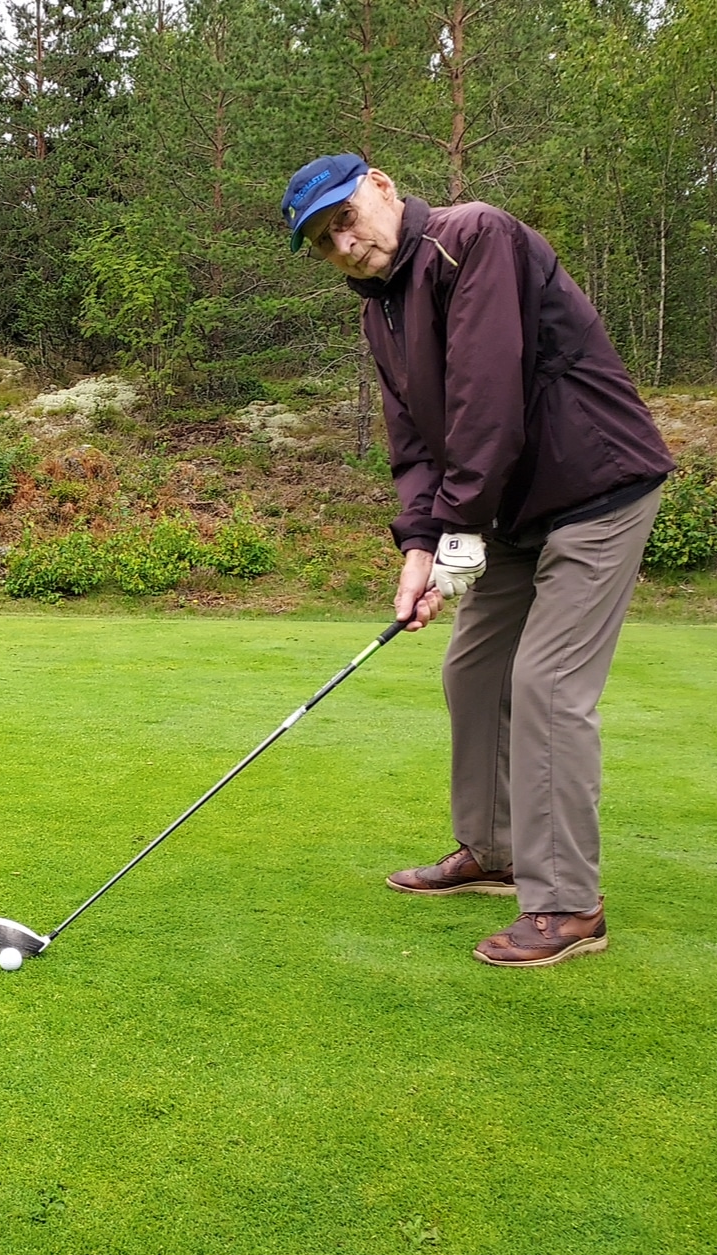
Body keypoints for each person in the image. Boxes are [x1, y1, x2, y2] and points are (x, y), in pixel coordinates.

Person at [280, 154, 675, 967]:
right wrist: (419, 547)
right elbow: (416, 442)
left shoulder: (474, 237)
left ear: (383, 187)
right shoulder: (378, 311)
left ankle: (568, 904)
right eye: (322, 242)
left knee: (549, 685)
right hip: (513, 512)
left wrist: (457, 531)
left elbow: (486, 401)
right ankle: (493, 849)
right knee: (473, 670)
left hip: (597, 487)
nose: (343, 245)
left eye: (345, 218)